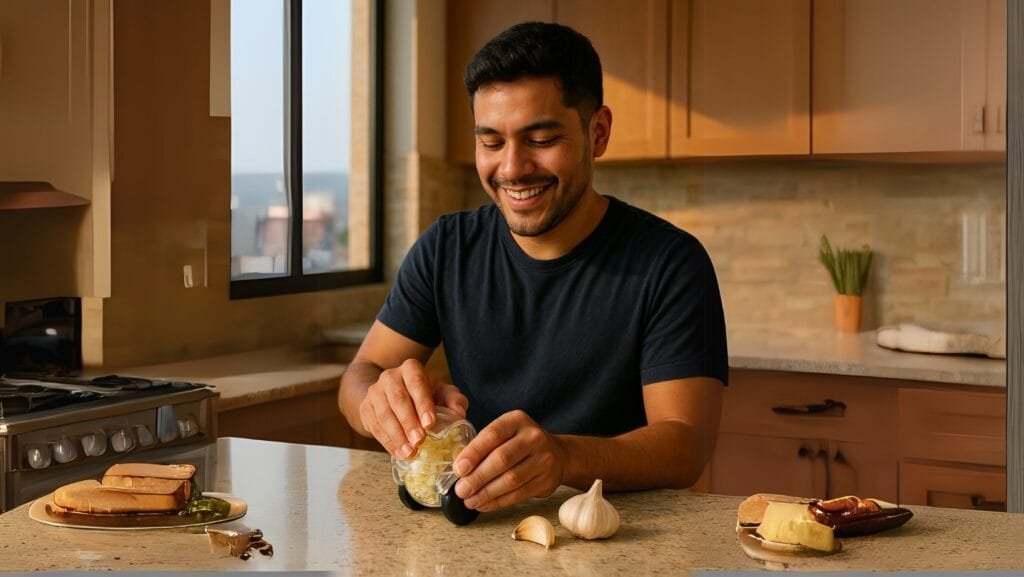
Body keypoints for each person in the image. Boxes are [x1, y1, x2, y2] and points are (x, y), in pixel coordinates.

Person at [338, 21, 728, 513]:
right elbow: (359, 375)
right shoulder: (446, 247)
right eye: (492, 142)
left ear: (598, 132)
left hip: (622, 535)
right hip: (483, 534)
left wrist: (562, 457)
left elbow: (684, 447)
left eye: (541, 138)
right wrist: (379, 400)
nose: (512, 168)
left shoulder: (670, 264)